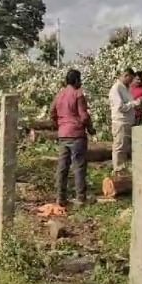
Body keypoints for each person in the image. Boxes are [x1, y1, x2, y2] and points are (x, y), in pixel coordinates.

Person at [51, 69, 93, 206]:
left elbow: (52, 112)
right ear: (76, 81)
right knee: (79, 166)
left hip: (63, 135)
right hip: (76, 134)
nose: (80, 82)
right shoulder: (78, 94)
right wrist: (90, 128)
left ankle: (60, 198)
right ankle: (81, 198)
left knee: (62, 167)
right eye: (79, 79)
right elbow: (84, 116)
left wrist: (60, 124)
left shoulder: (59, 95)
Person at [109, 67, 142, 173]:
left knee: (125, 148)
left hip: (128, 122)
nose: (132, 81)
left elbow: (129, 104)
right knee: (120, 147)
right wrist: (133, 104)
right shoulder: (116, 88)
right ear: (126, 76)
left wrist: (136, 103)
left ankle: (122, 169)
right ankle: (118, 170)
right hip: (120, 122)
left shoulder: (125, 88)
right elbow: (120, 107)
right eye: (131, 79)